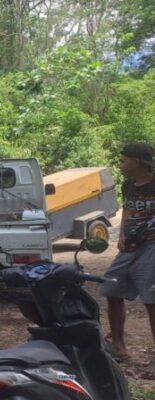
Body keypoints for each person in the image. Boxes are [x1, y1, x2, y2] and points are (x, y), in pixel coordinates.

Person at [100, 142, 155, 378]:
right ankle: (119, 347)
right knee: (111, 289)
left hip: (151, 247)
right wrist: (121, 236)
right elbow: (127, 212)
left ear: (137, 162)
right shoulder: (128, 185)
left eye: (123, 160)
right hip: (129, 247)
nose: (120, 164)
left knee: (151, 300)